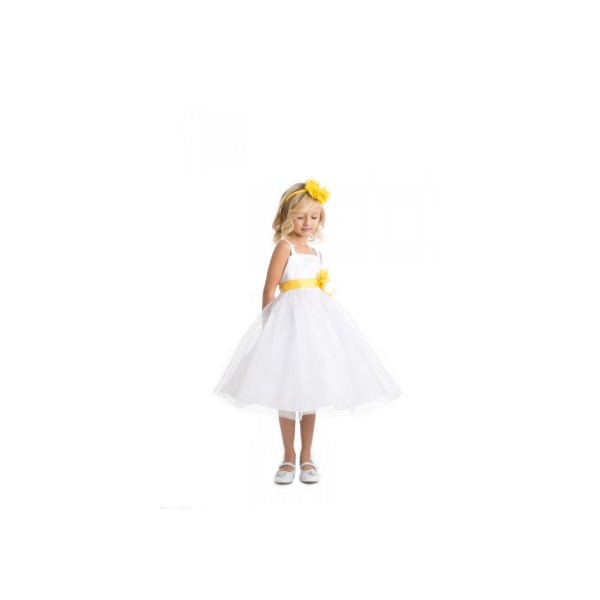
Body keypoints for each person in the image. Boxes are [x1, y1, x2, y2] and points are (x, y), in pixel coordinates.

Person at [213, 179, 402, 484]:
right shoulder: (284, 247)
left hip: (314, 331)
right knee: (288, 393)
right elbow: (270, 289)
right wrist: (269, 331)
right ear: (288, 216)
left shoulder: (316, 253)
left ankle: (307, 456)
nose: (307, 223)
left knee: (311, 391)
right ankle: (288, 456)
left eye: (314, 217)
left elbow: (316, 295)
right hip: (287, 329)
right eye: (301, 216)